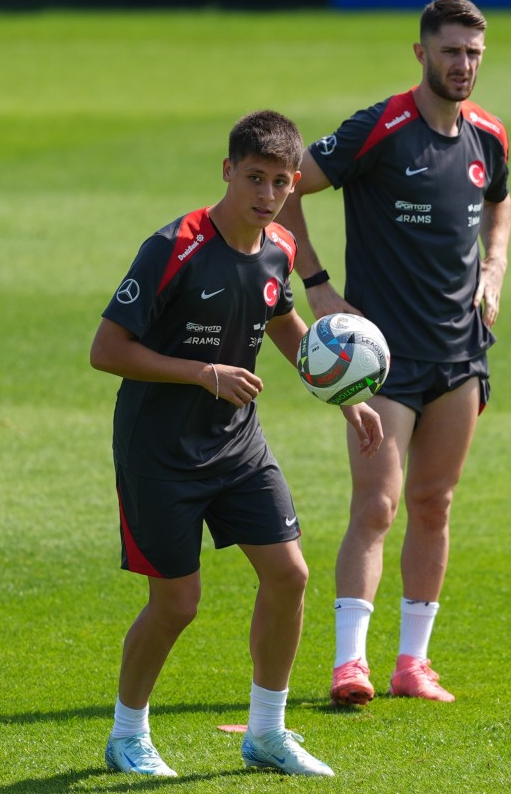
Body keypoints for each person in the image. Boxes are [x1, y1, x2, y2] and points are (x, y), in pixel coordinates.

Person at [90, 110, 383, 777]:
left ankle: (267, 732)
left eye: (281, 181)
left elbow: (280, 317)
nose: (267, 193)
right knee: (177, 602)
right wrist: (202, 372)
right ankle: (127, 733)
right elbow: (106, 349)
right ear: (228, 170)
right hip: (158, 450)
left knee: (290, 574)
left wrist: (344, 394)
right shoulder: (174, 246)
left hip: (237, 445)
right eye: (255, 177)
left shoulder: (278, 246)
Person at [278, 0, 511, 707]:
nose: (462, 64)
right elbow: (288, 182)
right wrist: (316, 284)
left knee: (434, 502)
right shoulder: (380, 127)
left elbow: (499, 200)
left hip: (459, 355)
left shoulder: (489, 136)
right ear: (421, 54)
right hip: (382, 361)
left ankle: (414, 662)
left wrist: (494, 267)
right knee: (376, 506)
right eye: (450, 51)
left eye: (472, 52)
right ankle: (350, 664)